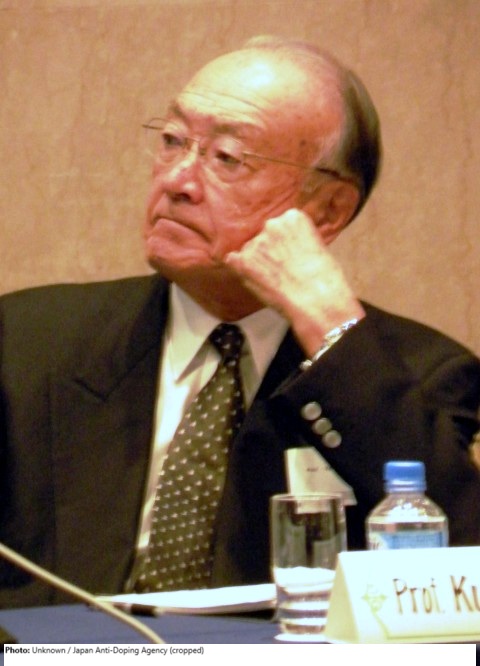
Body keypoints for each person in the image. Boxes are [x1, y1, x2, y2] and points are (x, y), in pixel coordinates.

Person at [1, 35, 479, 609]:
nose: (178, 181)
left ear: (327, 209)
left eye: (227, 157)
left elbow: (458, 574)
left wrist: (332, 329)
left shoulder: (422, 375)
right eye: (172, 141)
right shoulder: (24, 343)